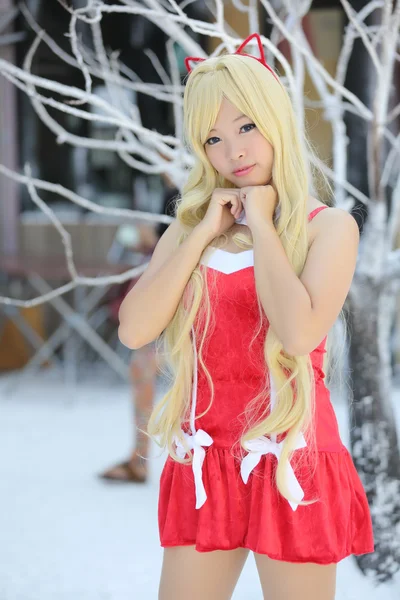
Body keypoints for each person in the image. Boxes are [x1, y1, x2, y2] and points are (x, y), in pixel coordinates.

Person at [118, 33, 374, 600]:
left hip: (290, 457)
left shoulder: (327, 227)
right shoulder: (192, 228)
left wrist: (262, 224)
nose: (233, 151)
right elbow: (135, 328)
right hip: (205, 457)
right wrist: (201, 233)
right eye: (213, 137)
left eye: (246, 126)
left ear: (275, 120)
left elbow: (299, 330)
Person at [100, 184, 177, 483]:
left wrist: (154, 242)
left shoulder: (198, 186)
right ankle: (140, 459)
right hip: (174, 318)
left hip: (202, 319)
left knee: (146, 366)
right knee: (142, 364)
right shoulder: (170, 190)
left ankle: (144, 460)